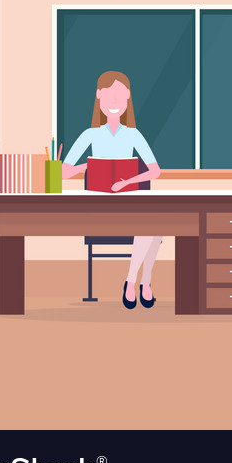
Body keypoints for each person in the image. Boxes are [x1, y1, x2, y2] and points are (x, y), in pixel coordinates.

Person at [61, 70, 162, 309]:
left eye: (120, 96)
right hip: (99, 211)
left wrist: (128, 182)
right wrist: (90, 165)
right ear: (99, 98)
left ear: (128, 99)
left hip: (129, 206)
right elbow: (64, 172)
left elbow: (155, 170)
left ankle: (136, 281)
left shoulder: (133, 135)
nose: (114, 103)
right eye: (109, 96)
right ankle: (142, 283)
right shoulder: (90, 135)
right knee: (152, 229)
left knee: (155, 226)